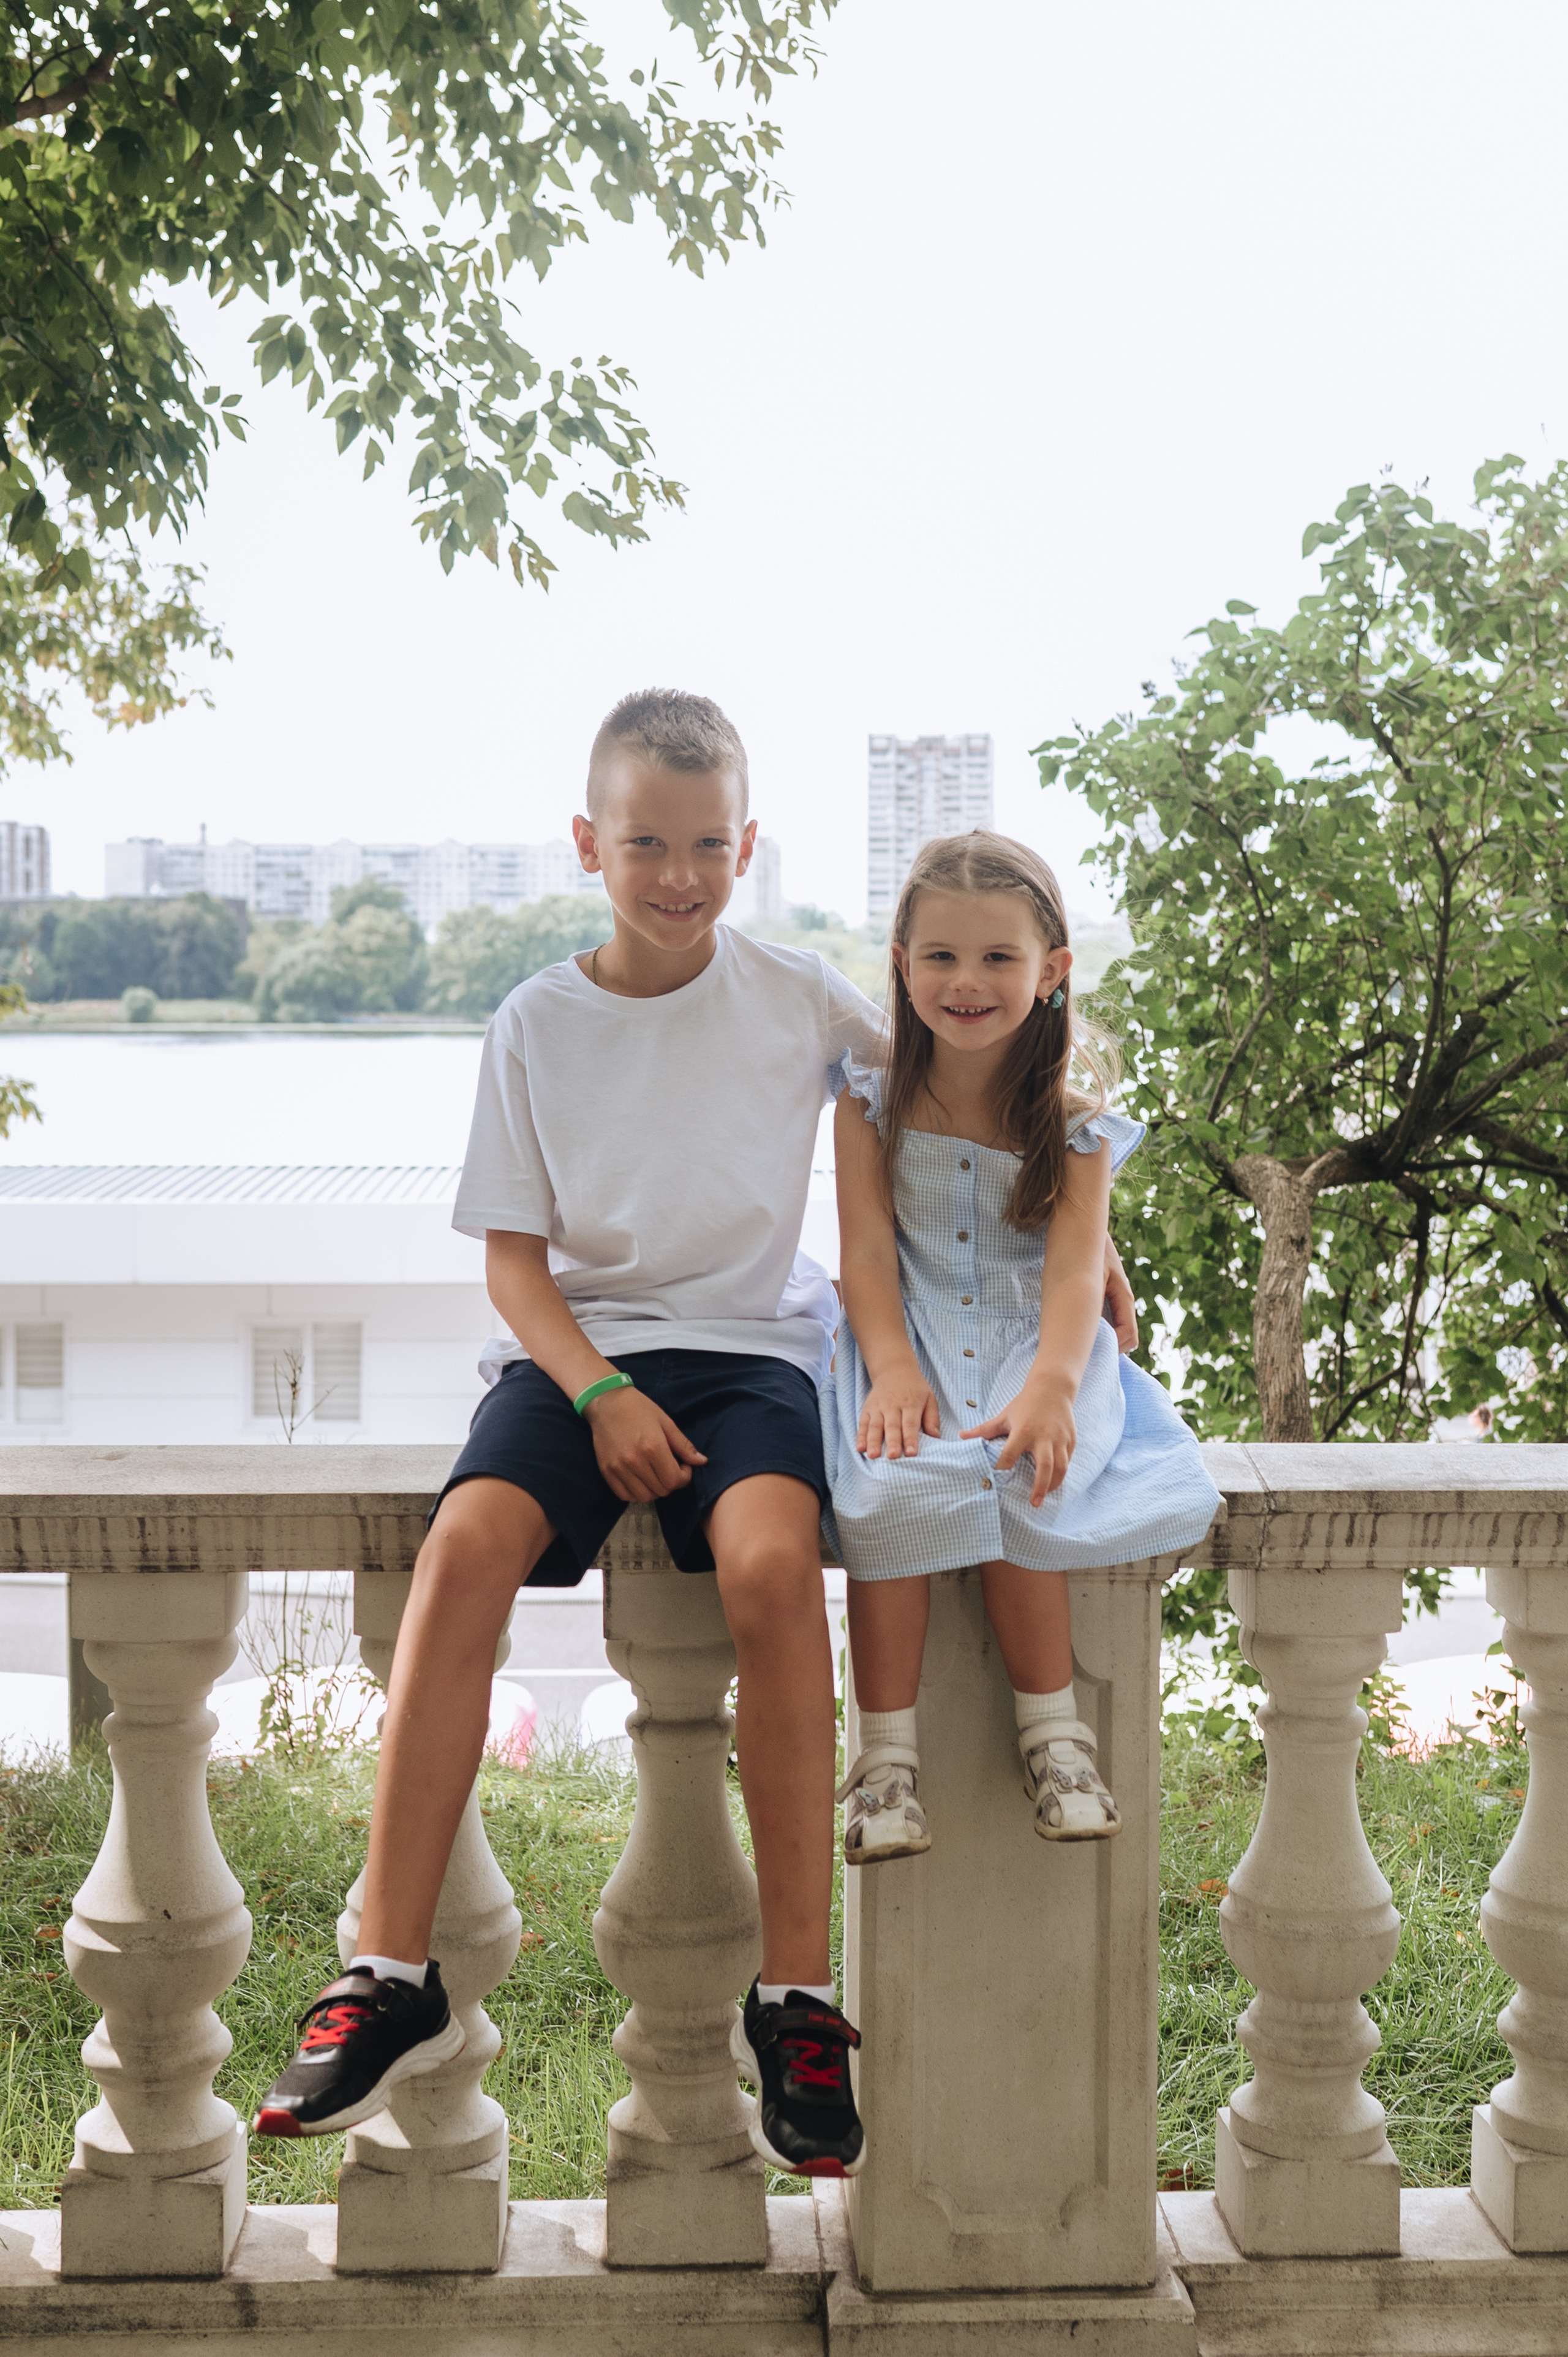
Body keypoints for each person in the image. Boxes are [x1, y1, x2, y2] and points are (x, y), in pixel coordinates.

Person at [253, 698, 1140, 2176]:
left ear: (747, 845)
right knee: (461, 1551)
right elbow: (515, 1269)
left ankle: (794, 1998)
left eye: (708, 844)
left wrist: (1083, 1239)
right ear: (587, 843)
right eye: (646, 844)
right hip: (574, 1357)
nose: (678, 875)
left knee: (773, 1565)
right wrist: (597, 1393)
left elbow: (963, 1091)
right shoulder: (534, 1023)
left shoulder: (794, 994)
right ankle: (387, 1970)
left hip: (748, 1357)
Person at [823, 829, 1219, 1864]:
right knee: (889, 1486)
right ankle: (885, 1763)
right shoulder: (868, 1105)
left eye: (998, 957)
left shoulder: (1076, 1128)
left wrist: (1052, 1385)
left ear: (1051, 971)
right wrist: (892, 1366)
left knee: (1022, 1476)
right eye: (941, 956)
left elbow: (1076, 1277)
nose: (967, 981)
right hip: (905, 1332)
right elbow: (864, 1253)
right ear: (903, 965)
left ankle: (1056, 1738)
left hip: (1032, 1343)